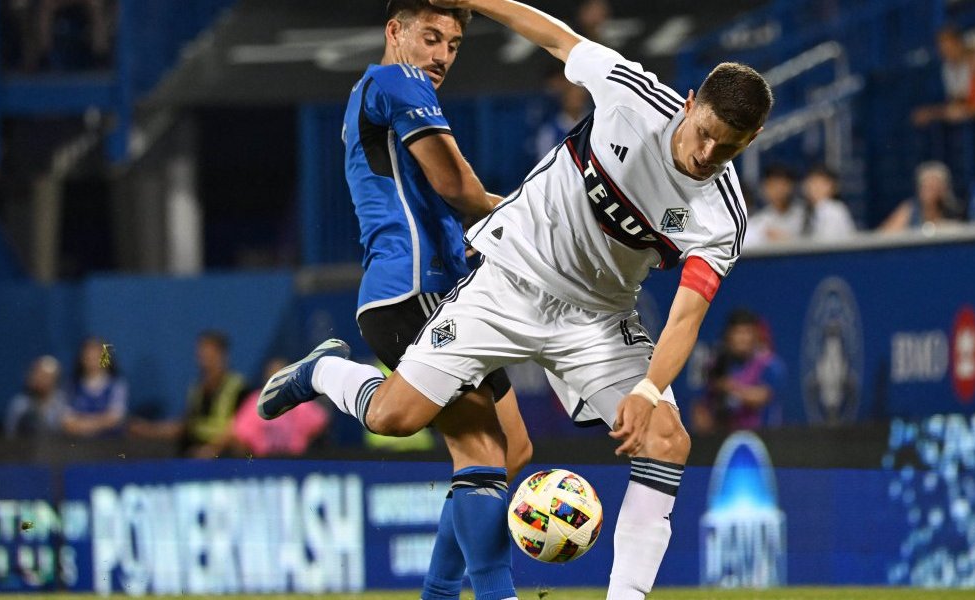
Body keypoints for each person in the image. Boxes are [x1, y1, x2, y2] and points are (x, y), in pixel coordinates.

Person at [259, 1, 771, 598]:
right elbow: (555, 37)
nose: (707, 154)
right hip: (508, 279)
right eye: (705, 133)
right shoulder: (632, 96)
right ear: (688, 103)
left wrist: (649, 389)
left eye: (728, 149)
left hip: (597, 320)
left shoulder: (722, 216)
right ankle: (324, 371)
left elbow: (686, 316)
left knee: (666, 440)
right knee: (394, 418)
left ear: (752, 140)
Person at [293, 2, 533, 599]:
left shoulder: (386, 90)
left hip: (450, 292)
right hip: (410, 291)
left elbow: (436, 197)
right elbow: (457, 187)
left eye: (452, 45)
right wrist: (539, 222)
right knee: (478, 448)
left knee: (511, 450)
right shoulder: (395, 80)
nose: (442, 56)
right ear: (394, 31)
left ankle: (437, 594)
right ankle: (326, 373)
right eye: (431, 37)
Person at [129, 330, 248, 456]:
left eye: (210, 354)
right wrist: (149, 430)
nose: (205, 359)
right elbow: (185, 426)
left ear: (223, 355)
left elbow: (240, 432)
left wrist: (212, 450)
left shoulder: (238, 387)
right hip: (194, 451)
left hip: (223, 455)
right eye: (202, 353)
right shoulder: (196, 389)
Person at [198, 358, 329, 458]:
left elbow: (321, 422)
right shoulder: (256, 403)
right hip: (264, 463)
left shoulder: (300, 402)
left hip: (294, 461)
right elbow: (237, 434)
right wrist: (212, 449)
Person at [691, 310, 784, 436]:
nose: (742, 339)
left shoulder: (769, 364)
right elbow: (701, 405)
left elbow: (761, 397)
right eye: (738, 333)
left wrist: (728, 386)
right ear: (728, 336)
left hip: (763, 437)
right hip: (724, 437)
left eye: (747, 332)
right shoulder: (717, 365)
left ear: (756, 336)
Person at [61, 336, 128, 438]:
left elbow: (115, 418)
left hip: (110, 443)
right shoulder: (72, 386)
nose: (92, 360)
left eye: (96, 357)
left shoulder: (116, 385)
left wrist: (84, 425)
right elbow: (66, 421)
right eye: (88, 357)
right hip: (79, 443)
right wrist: (95, 424)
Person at [911, 26, 972, 126]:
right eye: (943, 49)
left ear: (959, 44)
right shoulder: (945, 69)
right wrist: (930, 113)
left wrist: (935, 113)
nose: (947, 53)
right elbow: (955, 102)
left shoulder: (974, 63)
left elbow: (969, 102)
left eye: (950, 47)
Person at [878, 161, 962, 233]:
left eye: (934, 187)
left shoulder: (954, 210)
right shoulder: (909, 210)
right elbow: (885, 235)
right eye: (926, 187)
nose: (929, 192)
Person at [4, 356, 69, 438]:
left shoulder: (63, 402)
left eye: (46, 377)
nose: (41, 379)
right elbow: (10, 434)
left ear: (55, 380)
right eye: (38, 374)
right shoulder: (20, 404)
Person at [535, 71, 593, 158]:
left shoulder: (594, 121)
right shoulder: (550, 131)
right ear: (564, 98)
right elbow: (545, 160)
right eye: (571, 94)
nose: (576, 98)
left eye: (578, 93)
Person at [744, 164, 803, 247]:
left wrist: (787, 238)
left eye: (782, 184)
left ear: (791, 186)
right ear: (764, 189)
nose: (778, 190)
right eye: (772, 186)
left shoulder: (805, 213)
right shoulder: (759, 221)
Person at [800, 164, 856, 241]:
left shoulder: (833, 209)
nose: (817, 188)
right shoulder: (809, 210)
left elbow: (826, 244)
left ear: (834, 188)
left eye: (823, 183)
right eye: (813, 182)